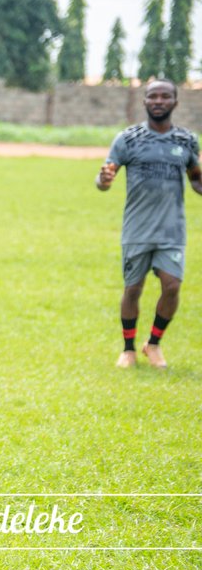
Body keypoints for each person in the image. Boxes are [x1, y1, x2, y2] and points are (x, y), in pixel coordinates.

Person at [97, 78, 201, 370]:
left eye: (165, 96)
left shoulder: (186, 141)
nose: (158, 101)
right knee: (133, 289)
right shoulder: (127, 139)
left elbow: (195, 178)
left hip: (172, 230)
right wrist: (104, 180)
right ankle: (128, 349)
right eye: (152, 96)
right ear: (144, 102)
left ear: (175, 102)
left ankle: (153, 344)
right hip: (137, 229)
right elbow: (104, 177)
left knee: (172, 287)